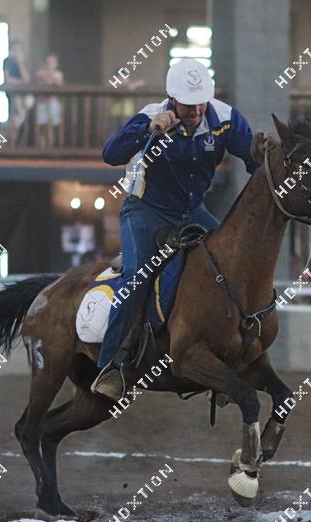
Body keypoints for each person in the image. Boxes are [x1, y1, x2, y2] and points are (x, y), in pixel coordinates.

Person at [90, 58, 265, 399]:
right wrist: (148, 130)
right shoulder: (151, 116)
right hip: (145, 210)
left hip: (192, 212)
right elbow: (111, 154)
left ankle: (232, 359)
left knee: (233, 264)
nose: (196, 110)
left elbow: (252, 162)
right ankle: (111, 366)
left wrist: (262, 155)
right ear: (172, 99)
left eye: (201, 102)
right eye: (187, 104)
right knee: (138, 277)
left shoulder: (225, 118)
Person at [34, 54, 64, 147]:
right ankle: (41, 149)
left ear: (56, 64)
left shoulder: (58, 74)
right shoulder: (40, 73)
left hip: (53, 102)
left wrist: (50, 80)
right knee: (42, 128)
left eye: (52, 62)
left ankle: (50, 148)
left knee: (52, 127)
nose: (50, 64)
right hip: (42, 102)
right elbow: (40, 82)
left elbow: (59, 84)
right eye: (48, 62)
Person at [2, 40, 30, 140]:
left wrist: (20, 63)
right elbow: (7, 80)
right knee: (15, 118)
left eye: (18, 50)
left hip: (23, 94)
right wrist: (20, 81)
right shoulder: (7, 61)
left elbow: (26, 79)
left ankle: (14, 141)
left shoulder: (22, 62)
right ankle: (10, 142)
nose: (16, 52)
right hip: (13, 93)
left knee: (20, 118)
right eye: (14, 50)